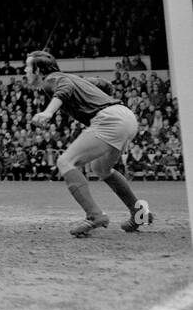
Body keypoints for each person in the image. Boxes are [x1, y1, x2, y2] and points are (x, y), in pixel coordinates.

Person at [25, 51, 151, 237]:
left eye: (27, 66)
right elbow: (105, 84)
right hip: (126, 116)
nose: (25, 71)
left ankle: (95, 215)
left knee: (65, 162)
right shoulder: (72, 78)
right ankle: (139, 213)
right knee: (101, 169)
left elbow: (64, 88)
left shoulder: (51, 80)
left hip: (110, 120)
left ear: (38, 69)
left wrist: (48, 112)